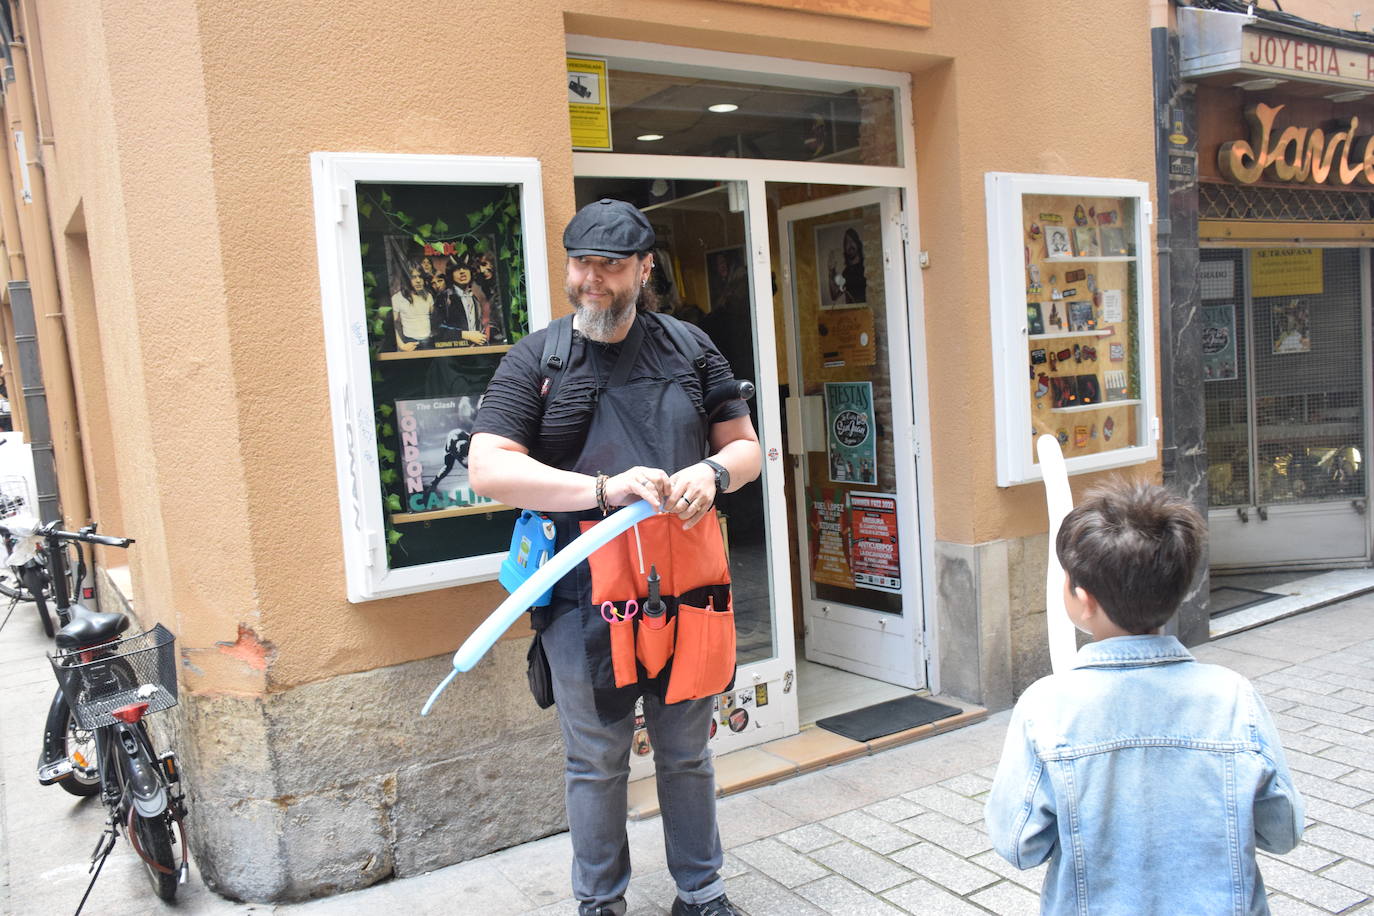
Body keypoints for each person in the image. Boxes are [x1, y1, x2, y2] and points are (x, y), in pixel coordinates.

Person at [469, 198, 760, 916]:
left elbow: (747, 447)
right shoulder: (537, 359)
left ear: (645, 268)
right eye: (581, 263)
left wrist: (714, 473)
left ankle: (702, 892)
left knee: (687, 753)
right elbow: (487, 468)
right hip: (581, 601)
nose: (592, 280)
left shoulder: (692, 349)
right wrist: (600, 488)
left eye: (610, 265)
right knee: (595, 762)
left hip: (687, 594)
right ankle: (600, 903)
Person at [985, 479, 1304, 915]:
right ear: (1179, 590)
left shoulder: (1047, 706)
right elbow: (1281, 830)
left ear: (1083, 597)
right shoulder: (1233, 697)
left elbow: (1019, 843)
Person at [435, 256, 491, 346]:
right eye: (457, 270)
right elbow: (437, 329)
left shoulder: (474, 298)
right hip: (455, 353)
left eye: (465, 268)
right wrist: (466, 335)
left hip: (476, 350)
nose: (462, 272)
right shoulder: (444, 297)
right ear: (451, 275)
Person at [392, 266, 435, 350]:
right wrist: (402, 345)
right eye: (413, 277)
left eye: (420, 277)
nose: (418, 280)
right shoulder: (398, 297)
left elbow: (435, 319)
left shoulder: (428, 296)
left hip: (429, 342)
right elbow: (390, 325)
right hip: (410, 342)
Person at [826, 226, 865, 305]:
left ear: (858, 244)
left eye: (852, 240)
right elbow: (834, 295)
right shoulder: (846, 272)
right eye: (847, 242)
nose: (850, 244)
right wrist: (831, 271)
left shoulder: (866, 267)